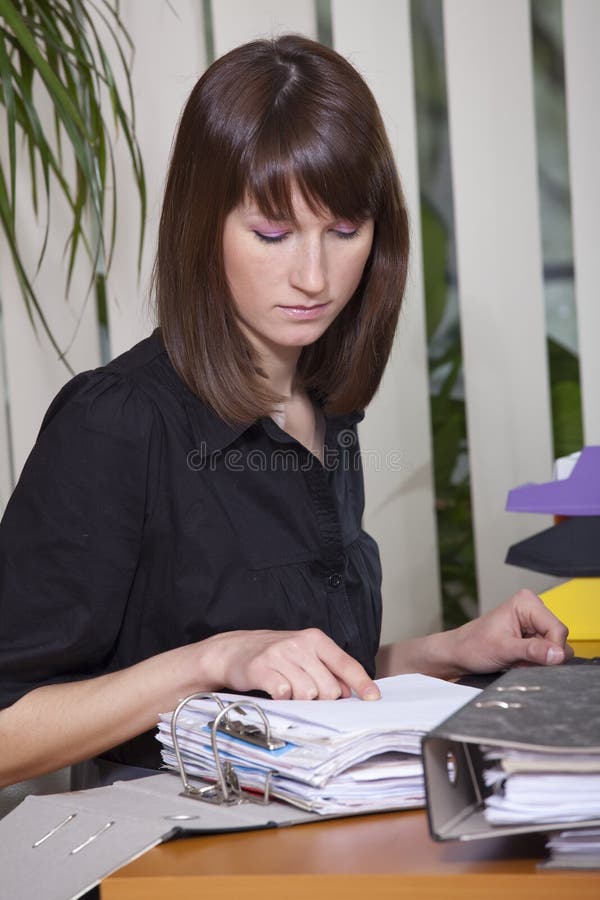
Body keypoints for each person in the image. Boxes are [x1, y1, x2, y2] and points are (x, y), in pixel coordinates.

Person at [0, 35, 571, 789]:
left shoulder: (326, 409)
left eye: (344, 232)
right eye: (272, 234)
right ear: (203, 228)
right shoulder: (116, 424)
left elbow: (299, 683)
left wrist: (448, 652)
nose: (314, 277)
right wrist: (213, 660)